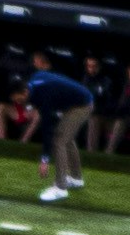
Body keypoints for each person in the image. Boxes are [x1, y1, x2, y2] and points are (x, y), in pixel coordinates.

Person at [24, 54, 94, 201]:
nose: (19, 103)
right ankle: (76, 178)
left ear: (24, 92)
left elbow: (47, 129)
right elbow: (31, 99)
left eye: (19, 100)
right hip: (72, 102)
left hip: (82, 105)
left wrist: (44, 159)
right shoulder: (34, 80)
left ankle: (60, 188)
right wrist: (29, 106)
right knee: (67, 138)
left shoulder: (45, 97)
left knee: (59, 140)